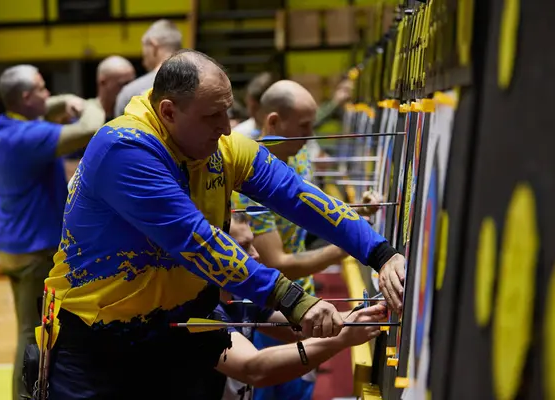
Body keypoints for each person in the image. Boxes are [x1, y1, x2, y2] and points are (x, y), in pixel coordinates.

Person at [44, 50, 405, 399]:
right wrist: (296, 300)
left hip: (182, 325)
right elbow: (198, 242)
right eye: (212, 116)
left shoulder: (221, 148)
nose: (226, 127)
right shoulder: (124, 149)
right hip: (100, 343)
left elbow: (296, 195)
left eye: (227, 111)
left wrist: (380, 252)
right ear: (168, 112)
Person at [230, 80, 376, 400]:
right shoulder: (243, 175)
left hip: (303, 304)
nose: (311, 134)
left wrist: (354, 216)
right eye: (304, 126)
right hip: (268, 310)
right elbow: (276, 264)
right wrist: (347, 247)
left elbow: (311, 213)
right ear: (273, 122)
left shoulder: (296, 153)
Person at [0, 64, 105, 399]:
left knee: (30, 326)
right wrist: (87, 102)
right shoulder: (30, 137)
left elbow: (49, 109)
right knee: (31, 332)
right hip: (34, 249)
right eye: (42, 89)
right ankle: (24, 395)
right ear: (25, 97)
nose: (48, 94)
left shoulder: (7, 127)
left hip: (14, 245)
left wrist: (62, 99)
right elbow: (89, 128)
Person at [206, 212, 389, 400]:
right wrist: (341, 338)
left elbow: (299, 328)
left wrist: (363, 314)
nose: (256, 254)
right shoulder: (199, 309)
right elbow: (253, 369)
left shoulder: (239, 294)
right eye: (244, 247)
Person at [64, 56, 136, 180]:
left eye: (132, 83)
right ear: (103, 83)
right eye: (124, 84)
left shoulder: (134, 116)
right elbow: (68, 168)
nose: (130, 89)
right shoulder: (83, 119)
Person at [113, 19, 183, 117]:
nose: (143, 59)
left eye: (144, 49)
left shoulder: (131, 93)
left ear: (153, 46)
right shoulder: (199, 84)